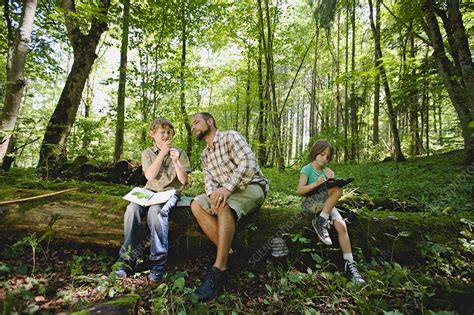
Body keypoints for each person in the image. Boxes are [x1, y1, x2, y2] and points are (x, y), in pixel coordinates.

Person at [190, 112, 268, 301]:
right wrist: (211, 196)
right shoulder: (205, 155)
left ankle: (220, 268)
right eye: (191, 126)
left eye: (196, 123)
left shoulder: (230, 137)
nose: (193, 128)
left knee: (224, 203)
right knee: (196, 204)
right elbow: (209, 181)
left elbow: (248, 163)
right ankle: (231, 254)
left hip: (252, 186)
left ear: (210, 121)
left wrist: (226, 189)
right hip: (226, 192)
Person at [114, 118, 192, 282]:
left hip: (169, 193)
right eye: (162, 132)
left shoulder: (180, 153)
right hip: (149, 191)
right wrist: (162, 153)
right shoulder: (147, 153)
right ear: (152, 134)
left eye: (168, 132)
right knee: (132, 210)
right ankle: (126, 261)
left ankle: (157, 264)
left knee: (156, 212)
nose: (166, 136)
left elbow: (184, 181)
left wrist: (176, 161)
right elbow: (149, 175)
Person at [296, 140, 365, 284]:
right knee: (337, 190)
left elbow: (330, 193)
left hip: (325, 207)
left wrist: (331, 179)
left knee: (341, 225)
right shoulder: (307, 169)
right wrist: (316, 183)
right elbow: (300, 191)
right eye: (322, 154)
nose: (324, 158)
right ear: (315, 153)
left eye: (327, 156)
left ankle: (349, 264)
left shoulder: (326, 171)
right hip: (310, 204)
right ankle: (320, 221)